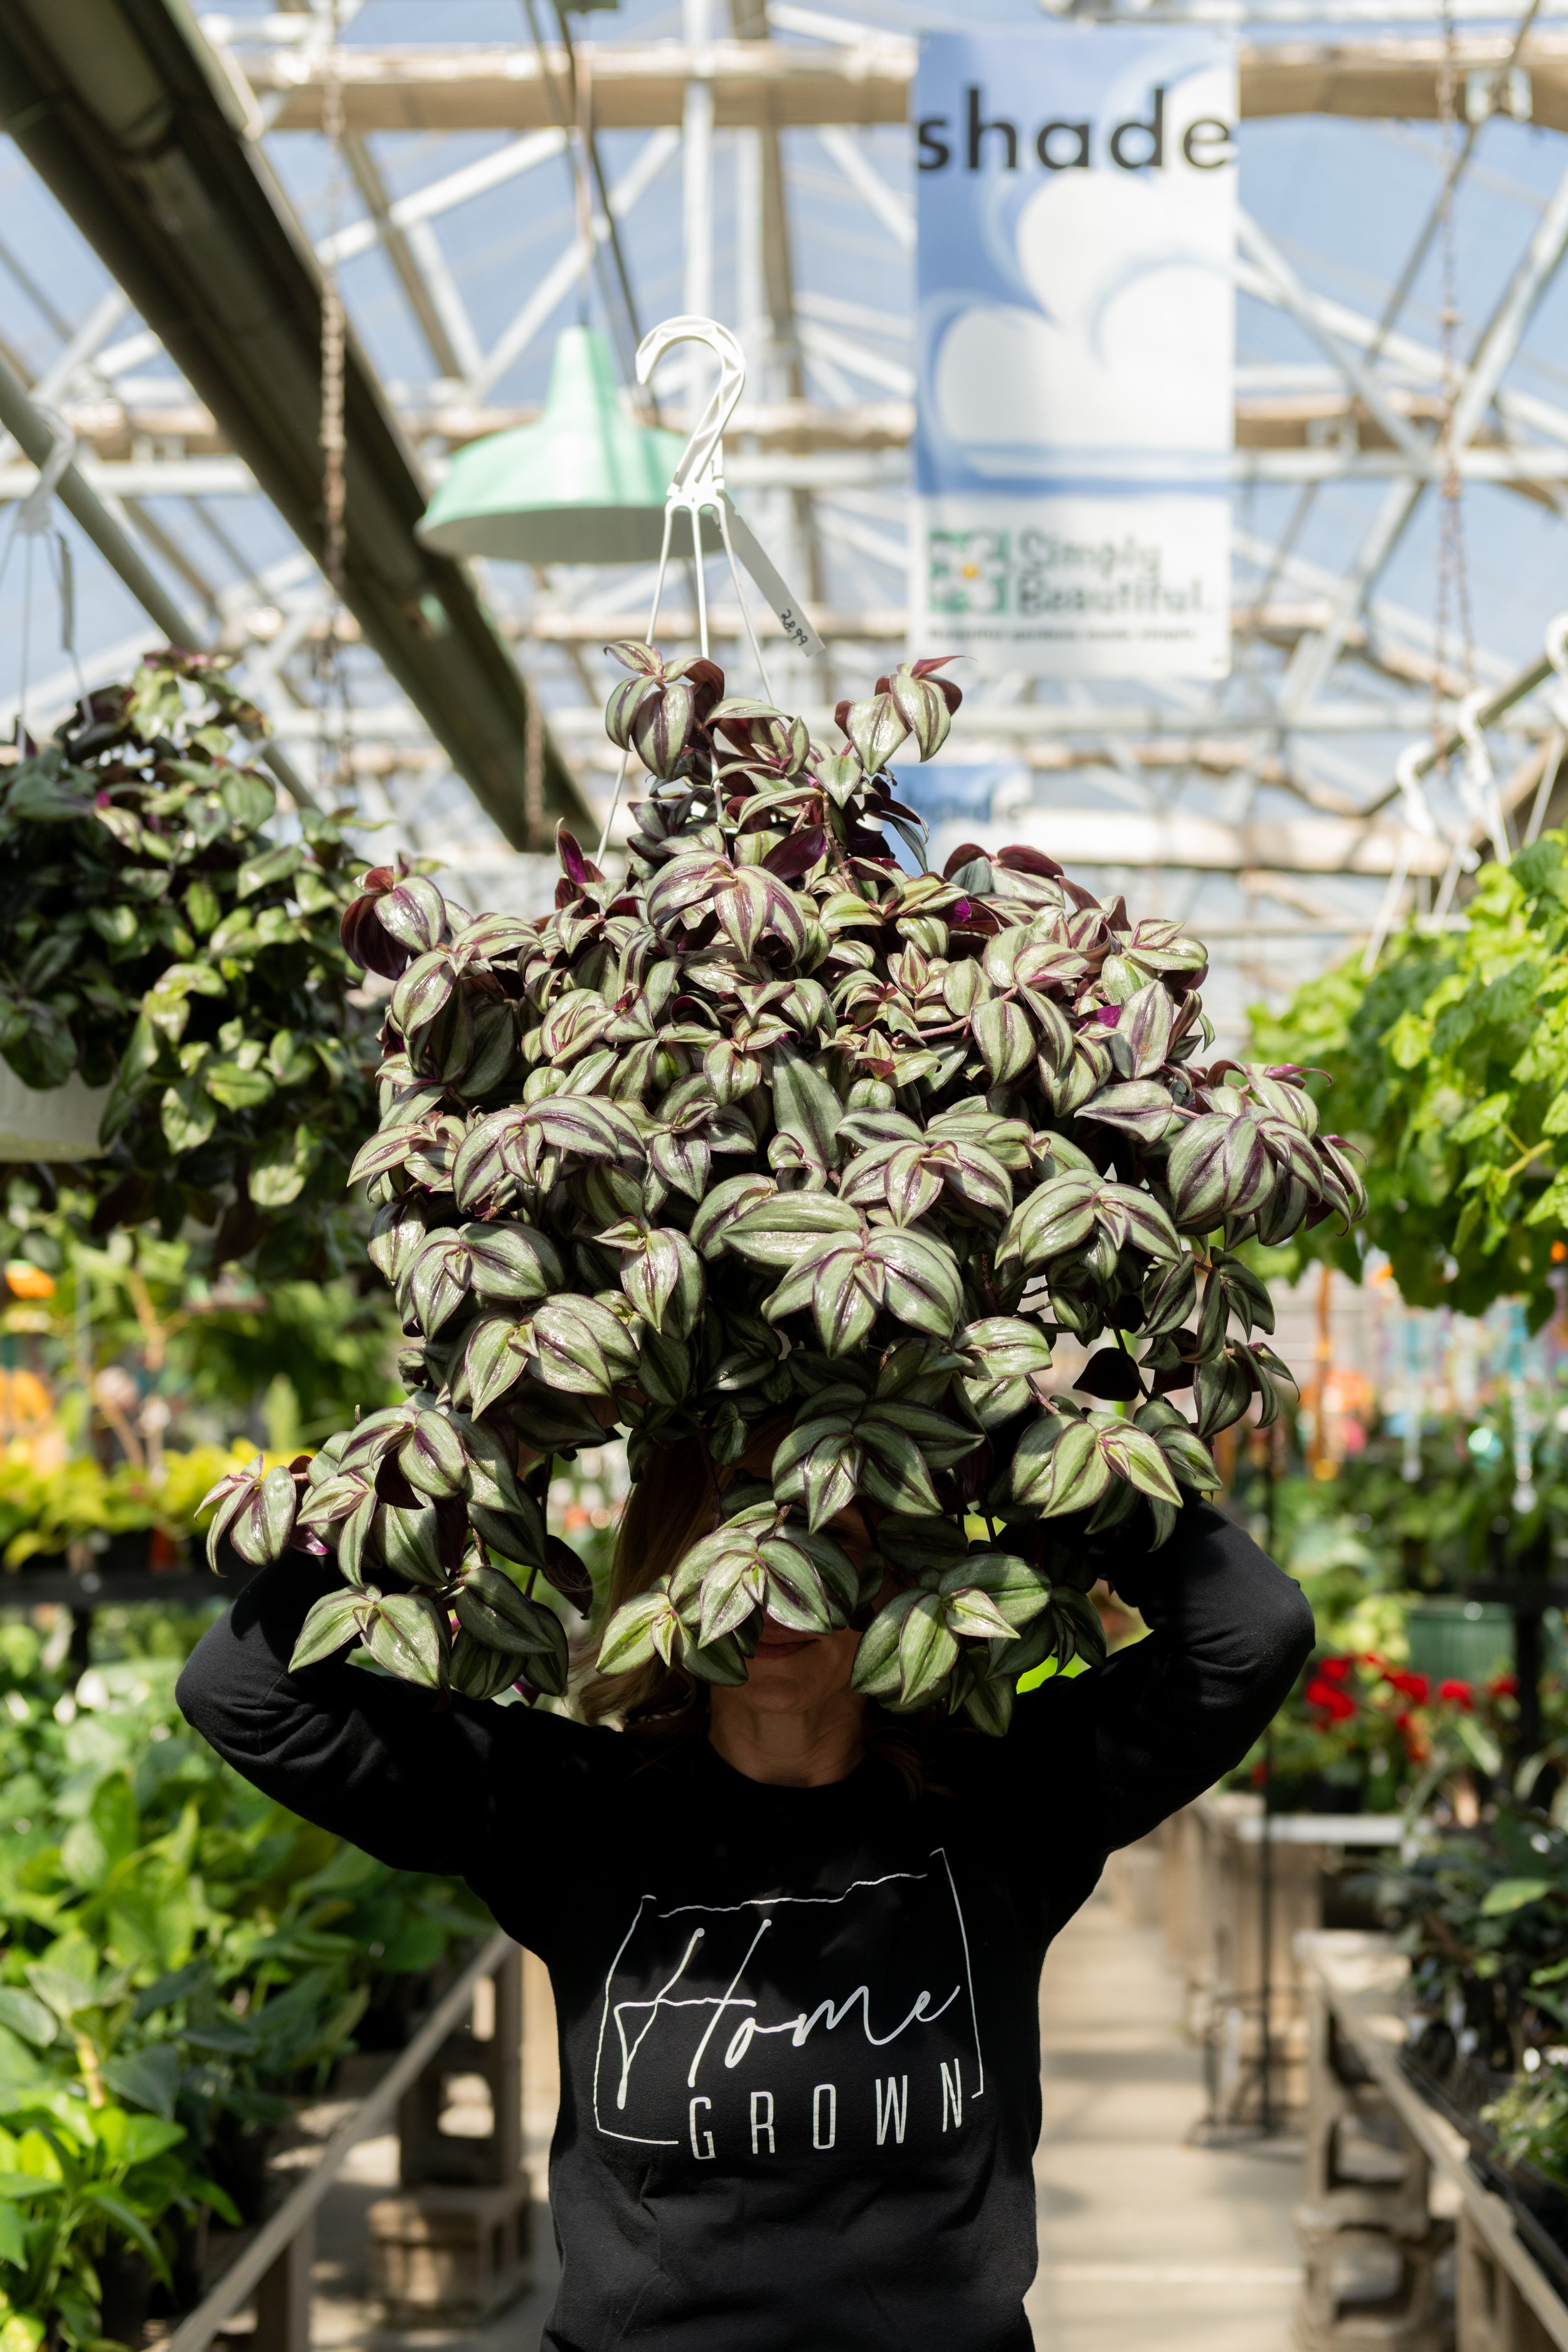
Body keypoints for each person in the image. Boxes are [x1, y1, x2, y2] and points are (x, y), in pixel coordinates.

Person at [177, 1423, 1312, 2352]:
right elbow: (240, 1690)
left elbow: (1250, 1630)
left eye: (831, 1530)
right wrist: (455, 1462)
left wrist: (1023, 1442)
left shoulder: (1003, 1805)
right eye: (732, 1532)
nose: (778, 1580)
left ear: (897, 1577)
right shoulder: (570, 1809)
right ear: (675, 1569)